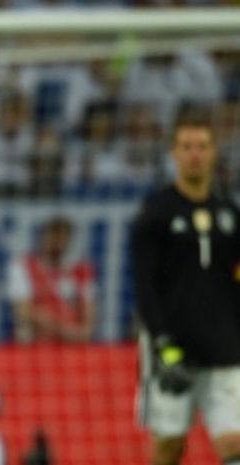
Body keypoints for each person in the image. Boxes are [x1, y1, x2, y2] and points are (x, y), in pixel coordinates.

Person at [131, 111, 240, 465]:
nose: (195, 154)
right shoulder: (156, 213)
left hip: (225, 349)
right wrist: (163, 344)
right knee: (169, 447)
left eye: (202, 146)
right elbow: (145, 286)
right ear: (174, 153)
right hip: (173, 349)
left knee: (234, 444)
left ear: (214, 152)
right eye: (187, 146)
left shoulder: (230, 212)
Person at [5, 215, 96, 343]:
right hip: (35, 347)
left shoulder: (82, 271)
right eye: (54, 235)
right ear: (43, 237)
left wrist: (47, 322)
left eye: (63, 237)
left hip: (72, 348)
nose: (58, 242)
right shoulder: (23, 267)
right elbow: (23, 313)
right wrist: (68, 331)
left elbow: (88, 324)